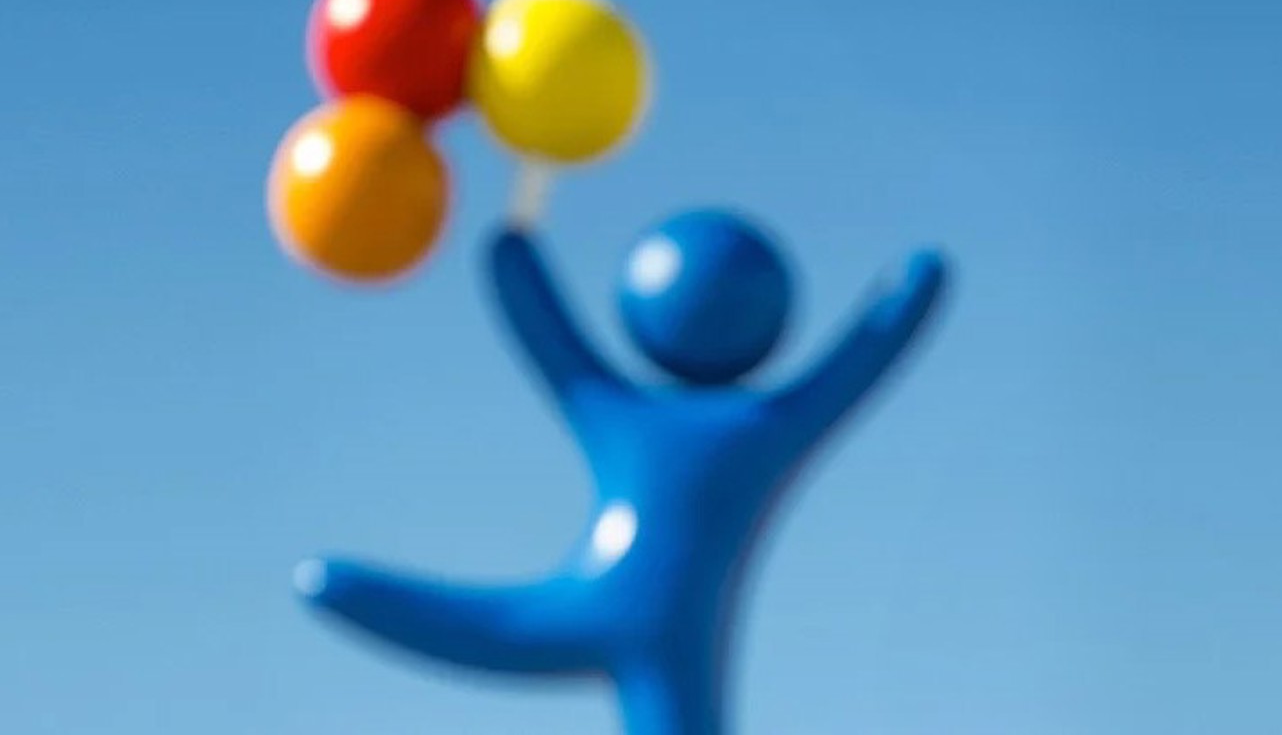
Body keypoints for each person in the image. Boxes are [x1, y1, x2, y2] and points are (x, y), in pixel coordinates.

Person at [295, 200, 951, 735]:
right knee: (366, 598)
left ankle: (336, 586)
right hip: (641, 630)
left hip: (609, 617)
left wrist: (515, 241)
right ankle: (337, 587)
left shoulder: (631, 413)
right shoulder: (769, 428)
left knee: (364, 597)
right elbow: (865, 355)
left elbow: (548, 337)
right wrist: (916, 285)